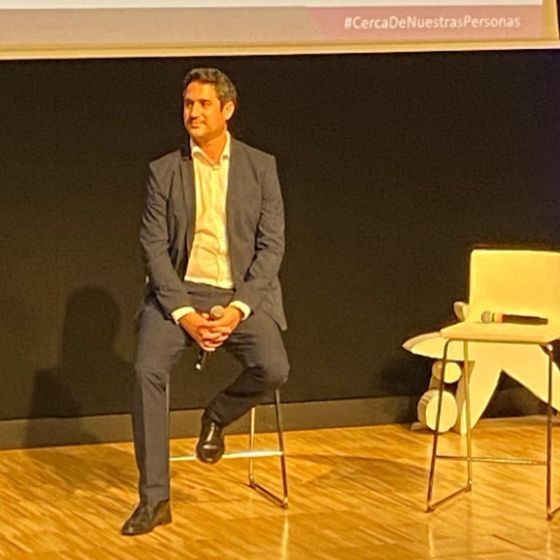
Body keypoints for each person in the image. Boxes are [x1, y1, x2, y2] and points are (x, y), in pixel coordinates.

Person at [121, 67, 289, 536]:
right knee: (147, 371)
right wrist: (185, 314)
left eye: (203, 104)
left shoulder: (260, 167)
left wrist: (238, 309)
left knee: (274, 368)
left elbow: (271, 247)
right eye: (188, 104)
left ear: (227, 110)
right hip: (180, 294)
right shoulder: (164, 171)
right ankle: (155, 500)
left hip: (240, 295)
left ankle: (216, 416)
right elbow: (153, 248)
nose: (193, 113)